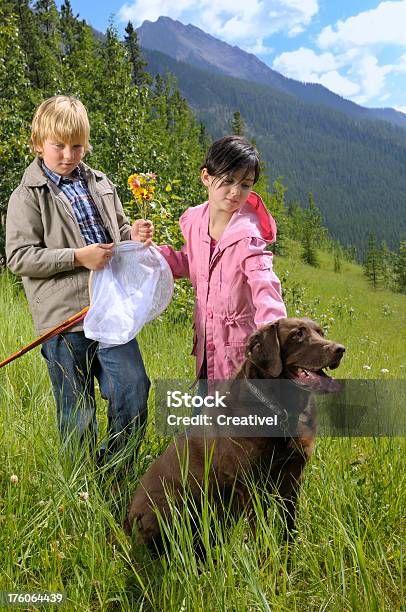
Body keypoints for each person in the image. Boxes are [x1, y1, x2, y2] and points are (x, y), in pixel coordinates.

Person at [6, 95, 153, 464]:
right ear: (39, 143)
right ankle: (82, 486)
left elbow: (118, 233)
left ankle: (114, 470)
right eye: (59, 146)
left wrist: (132, 236)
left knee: (133, 389)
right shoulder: (27, 196)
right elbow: (20, 258)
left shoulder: (101, 183)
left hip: (110, 310)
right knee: (77, 410)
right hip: (64, 319)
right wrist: (77, 257)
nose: (69, 155)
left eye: (77, 146)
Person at [158, 135, 287, 386]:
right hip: (208, 345)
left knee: (236, 419)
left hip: (239, 352)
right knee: (203, 414)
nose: (235, 192)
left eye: (245, 184)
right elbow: (192, 262)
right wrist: (153, 257)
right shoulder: (195, 221)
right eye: (227, 181)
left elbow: (265, 286)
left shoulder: (247, 236)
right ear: (206, 177)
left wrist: (274, 338)